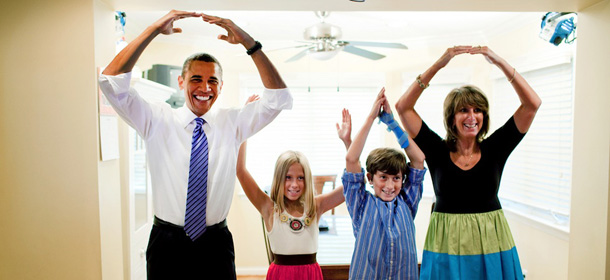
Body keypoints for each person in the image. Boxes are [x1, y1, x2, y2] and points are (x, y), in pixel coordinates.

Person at [98, 10, 292, 279]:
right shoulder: (156, 119)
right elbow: (110, 82)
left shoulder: (233, 122)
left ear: (221, 86)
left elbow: (278, 99)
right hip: (167, 244)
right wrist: (153, 29)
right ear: (181, 82)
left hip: (215, 244)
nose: (205, 87)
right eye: (196, 79)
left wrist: (249, 42)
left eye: (212, 80)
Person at [395, 45, 542, 280]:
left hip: (492, 243)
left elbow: (532, 104)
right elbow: (403, 107)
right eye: (463, 110)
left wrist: (499, 62)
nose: (472, 117)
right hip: (446, 245)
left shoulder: (496, 148)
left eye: (478, 110)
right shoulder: (436, 150)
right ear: (452, 118)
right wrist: (438, 65)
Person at [235, 100, 350, 280]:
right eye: (288, 178)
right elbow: (241, 171)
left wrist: (348, 143)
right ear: (278, 179)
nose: (294, 184)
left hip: (311, 274)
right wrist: (245, 125)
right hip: (280, 275)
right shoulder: (269, 208)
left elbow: (351, 185)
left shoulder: (316, 206)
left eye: (300, 178)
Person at [342, 88, 426, 280]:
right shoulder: (361, 205)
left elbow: (419, 159)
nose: (390, 185)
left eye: (396, 178)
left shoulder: (408, 201)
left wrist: (391, 122)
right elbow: (351, 158)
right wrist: (372, 118)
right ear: (370, 178)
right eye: (383, 177)